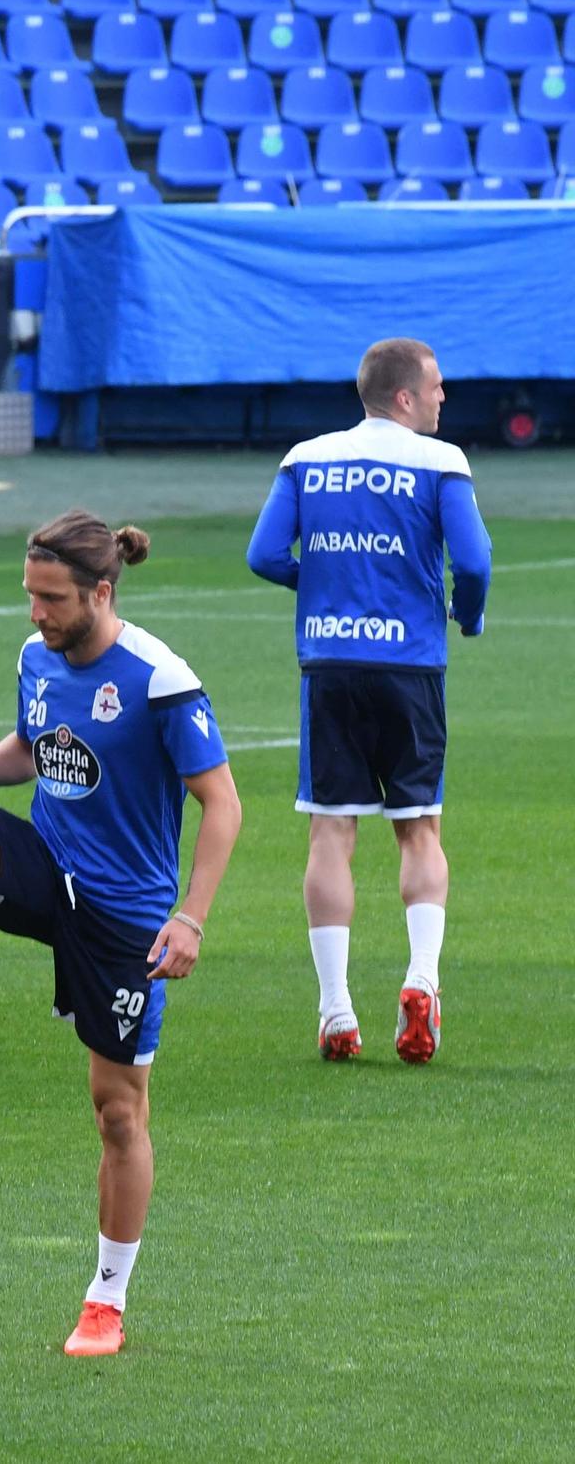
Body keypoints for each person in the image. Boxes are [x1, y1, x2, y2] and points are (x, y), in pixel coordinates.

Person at [0, 511, 242, 1359]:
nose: (36, 614)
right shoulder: (37, 658)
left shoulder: (159, 679)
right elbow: (34, 753)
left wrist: (191, 916)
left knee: (117, 1113)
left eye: (52, 599)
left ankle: (107, 1298)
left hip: (126, 919)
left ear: (101, 592)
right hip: (49, 867)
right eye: (30, 596)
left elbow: (224, 803)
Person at [246, 338, 492, 1065]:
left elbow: (264, 554)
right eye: (437, 387)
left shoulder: (306, 457)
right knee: (419, 829)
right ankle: (422, 980)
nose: (445, 398)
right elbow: (473, 562)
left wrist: (320, 587)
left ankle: (335, 1009)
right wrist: (467, 615)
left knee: (331, 832)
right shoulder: (441, 463)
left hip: (329, 662)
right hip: (409, 665)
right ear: (406, 397)